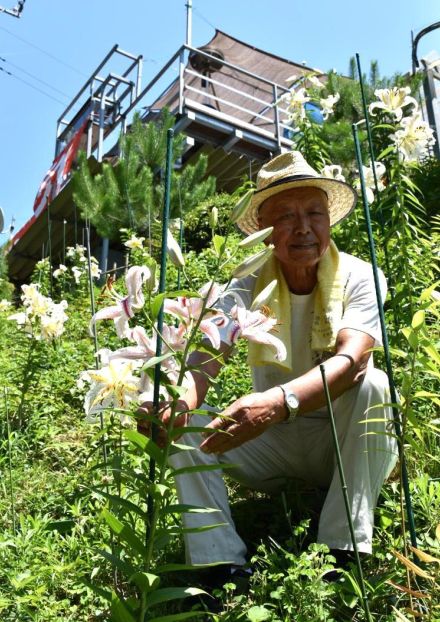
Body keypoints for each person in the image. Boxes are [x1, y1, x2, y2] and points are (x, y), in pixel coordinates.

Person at [140, 150, 398, 582]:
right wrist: (178, 401)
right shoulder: (244, 283)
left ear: (329, 221)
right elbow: (204, 360)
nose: (303, 227)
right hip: (269, 443)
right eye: (285, 216)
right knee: (185, 418)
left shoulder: (358, 274)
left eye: (314, 212)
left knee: (375, 383)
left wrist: (278, 402)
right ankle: (219, 560)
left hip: (338, 444)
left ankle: (342, 549)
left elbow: (353, 362)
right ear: (263, 230)